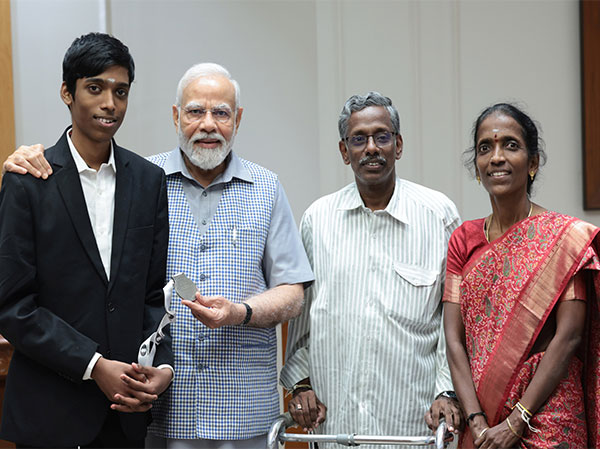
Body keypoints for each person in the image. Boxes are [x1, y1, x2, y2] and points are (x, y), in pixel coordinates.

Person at [3, 62, 314, 449]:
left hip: (244, 412)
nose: (208, 124)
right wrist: (28, 159)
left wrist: (239, 313)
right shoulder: (139, 180)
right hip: (157, 413)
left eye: (221, 113)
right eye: (195, 111)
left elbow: (293, 293)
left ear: (238, 119)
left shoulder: (266, 189)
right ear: (175, 115)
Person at [0, 32, 173, 448]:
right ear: (67, 92)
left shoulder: (149, 181)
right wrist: (94, 365)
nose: (109, 103)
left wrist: (160, 367)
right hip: (48, 416)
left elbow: (152, 295)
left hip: (125, 418)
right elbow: (12, 306)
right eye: (94, 88)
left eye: (121, 91)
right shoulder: (29, 181)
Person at [280, 91, 463, 447]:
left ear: (399, 144)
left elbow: (454, 322)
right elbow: (302, 323)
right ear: (343, 151)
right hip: (337, 427)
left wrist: (447, 390)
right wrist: (301, 385)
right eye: (358, 139)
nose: (371, 148)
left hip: (414, 429)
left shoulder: (439, 215)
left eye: (382, 136)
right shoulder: (318, 220)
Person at [442, 103, 600, 448]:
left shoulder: (564, 239)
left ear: (532, 163)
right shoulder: (463, 240)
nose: (496, 157)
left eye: (510, 145)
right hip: (483, 417)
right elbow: (454, 340)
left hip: (551, 415)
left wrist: (518, 420)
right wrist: (477, 420)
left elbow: (569, 335)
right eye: (486, 148)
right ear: (477, 166)